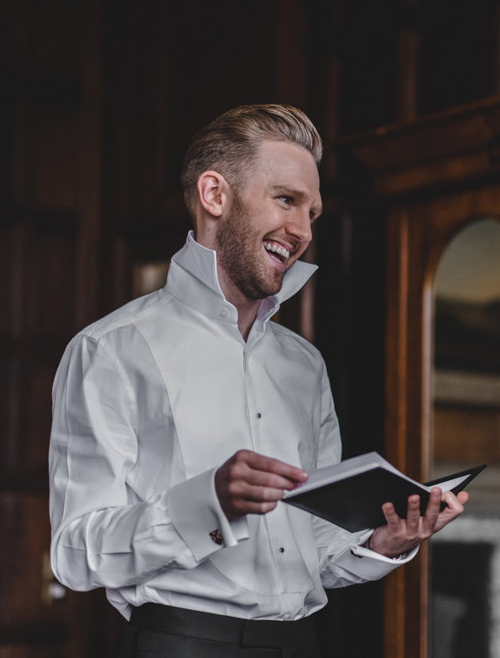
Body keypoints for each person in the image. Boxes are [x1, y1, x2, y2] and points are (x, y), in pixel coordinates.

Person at [48, 103, 468, 657]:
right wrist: (210, 502)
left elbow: (314, 545)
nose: (301, 231)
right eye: (286, 201)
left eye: (312, 213)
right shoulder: (112, 349)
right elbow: (75, 554)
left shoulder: (304, 365)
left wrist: (381, 542)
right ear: (214, 195)